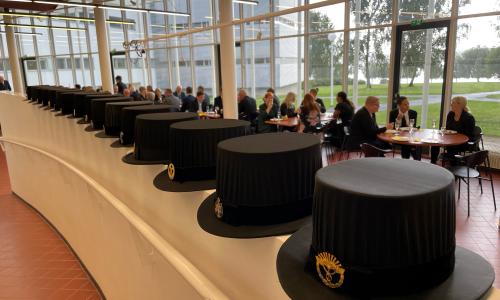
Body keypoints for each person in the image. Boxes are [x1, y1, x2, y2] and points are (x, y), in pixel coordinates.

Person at [430, 96, 476, 164]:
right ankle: (433, 163)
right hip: (450, 139)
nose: (451, 104)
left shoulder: (469, 118)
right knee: (435, 143)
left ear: (459, 104)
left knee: (452, 147)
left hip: (464, 142)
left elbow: (468, 135)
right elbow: (448, 129)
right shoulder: (450, 114)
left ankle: (453, 167)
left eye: (452, 102)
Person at [389, 96, 420, 160]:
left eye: (408, 104)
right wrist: (398, 119)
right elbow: (392, 129)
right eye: (405, 104)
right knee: (407, 144)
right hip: (397, 136)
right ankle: (412, 159)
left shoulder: (413, 113)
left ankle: (412, 159)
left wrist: (409, 125)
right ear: (399, 106)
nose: (408, 106)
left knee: (416, 143)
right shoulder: (393, 113)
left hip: (409, 135)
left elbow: (413, 127)